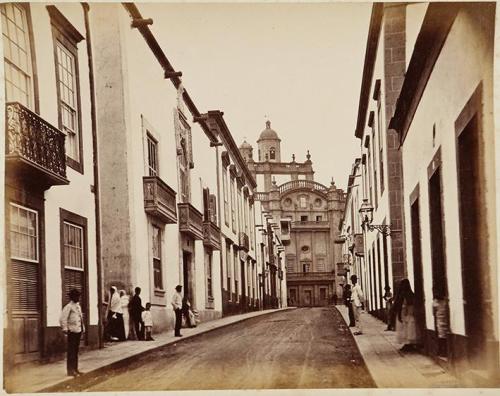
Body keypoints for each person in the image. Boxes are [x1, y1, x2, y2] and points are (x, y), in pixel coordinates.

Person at [60, 289, 84, 377]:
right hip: (72, 331)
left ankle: (75, 369)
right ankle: (70, 370)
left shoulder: (78, 306)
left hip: (78, 330)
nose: (78, 298)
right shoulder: (68, 307)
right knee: (71, 352)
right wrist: (65, 329)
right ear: (72, 297)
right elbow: (63, 318)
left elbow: (81, 318)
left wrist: (83, 328)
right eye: (76, 296)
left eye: (78, 296)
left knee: (76, 351)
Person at [393, 278, 421, 352]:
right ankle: (409, 344)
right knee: (410, 330)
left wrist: (399, 314)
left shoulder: (402, 295)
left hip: (404, 315)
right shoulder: (411, 294)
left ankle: (408, 344)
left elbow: (400, 306)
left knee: (405, 330)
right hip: (409, 314)